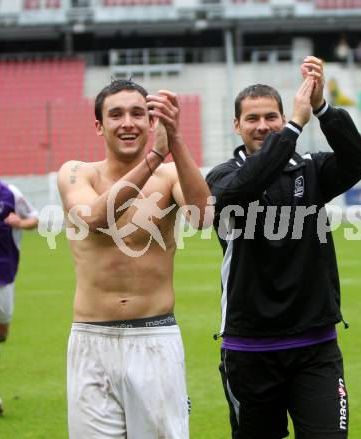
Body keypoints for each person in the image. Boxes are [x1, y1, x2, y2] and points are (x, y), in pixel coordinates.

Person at [206, 56, 361, 438]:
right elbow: (246, 185)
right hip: (249, 349)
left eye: (272, 117)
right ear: (236, 126)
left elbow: (359, 160)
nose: (263, 126)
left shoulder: (310, 169)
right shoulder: (222, 178)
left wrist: (322, 109)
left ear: (281, 118)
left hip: (315, 347)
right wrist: (295, 128)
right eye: (252, 119)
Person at [57, 79, 212, 439]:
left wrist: (176, 141)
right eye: (116, 114)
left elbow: (204, 218)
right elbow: (96, 218)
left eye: (138, 113)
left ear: (151, 121)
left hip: (154, 337)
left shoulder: (171, 174)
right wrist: (154, 156)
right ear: (99, 126)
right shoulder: (76, 172)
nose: (128, 122)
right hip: (90, 340)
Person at [0, 144, 39, 415]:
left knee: (0, 334)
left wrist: (20, 223)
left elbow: (36, 218)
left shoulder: (10, 194)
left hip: (5, 273)